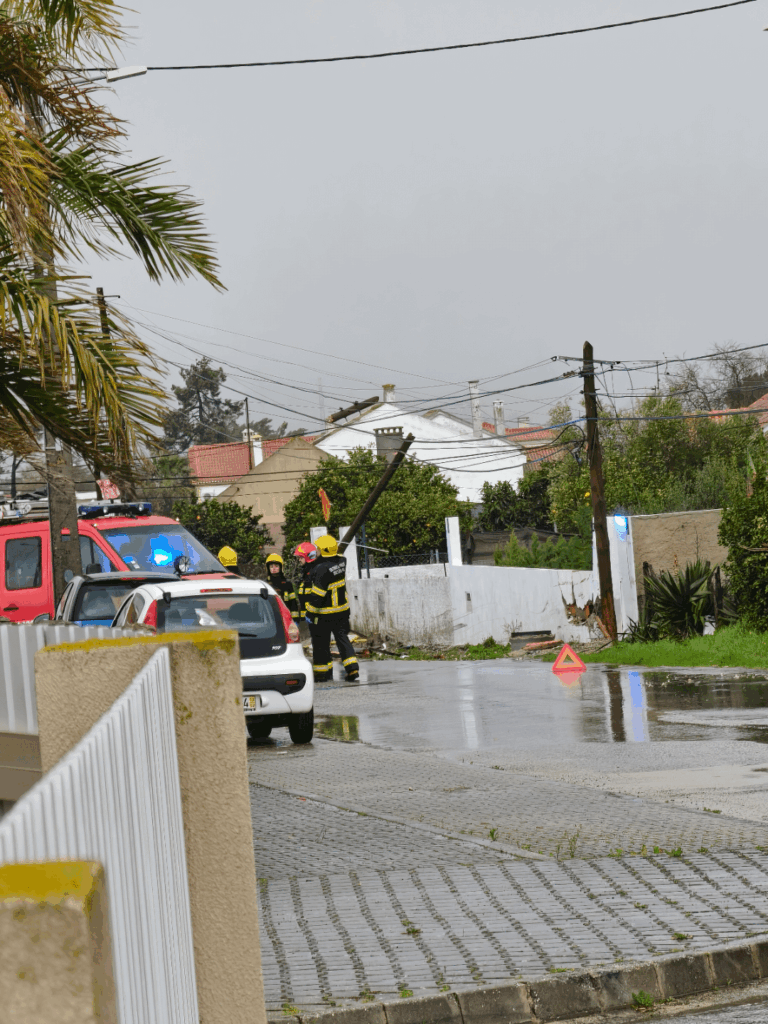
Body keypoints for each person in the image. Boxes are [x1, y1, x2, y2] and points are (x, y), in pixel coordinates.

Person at [304, 534, 359, 682]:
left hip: (326, 613)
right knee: (342, 639)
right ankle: (352, 667)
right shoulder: (342, 561)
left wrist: (309, 612)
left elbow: (317, 596)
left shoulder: (321, 570)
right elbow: (338, 555)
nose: (317, 551)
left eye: (319, 549)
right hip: (342, 611)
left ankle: (323, 673)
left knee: (321, 643)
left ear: (324, 551)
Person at [265, 553, 299, 620]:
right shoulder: (265, 584)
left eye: (276, 566)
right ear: (268, 568)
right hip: (270, 618)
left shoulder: (287, 584)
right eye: (271, 566)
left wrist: (295, 620)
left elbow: (293, 603)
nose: (274, 568)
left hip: (285, 618)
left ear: (281, 567)